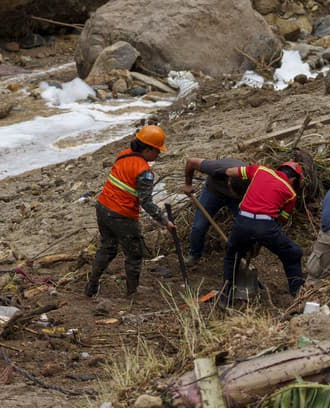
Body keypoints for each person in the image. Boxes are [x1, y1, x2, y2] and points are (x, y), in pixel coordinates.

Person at [85, 124, 175, 297]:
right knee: (134, 254)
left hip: (103, 208)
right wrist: (165, 221)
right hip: (122, 216)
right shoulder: (144, 172)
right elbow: (147, 203)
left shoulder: (123, 155)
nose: (158, 154)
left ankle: (91, 285)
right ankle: (132, 293)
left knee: (107, 247)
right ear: (148, 149)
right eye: (157, 151)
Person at [220, 161, 305, 299]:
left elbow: (230, 172)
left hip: (242, 221)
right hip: (265, 226)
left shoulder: (260, 170)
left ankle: (226, 294)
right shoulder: (291, 193)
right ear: (294, 179)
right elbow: (280, 221)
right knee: (293, 253)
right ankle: (298, 295)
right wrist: (261, 239)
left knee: (232, 255)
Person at [182, 156, 248, 266]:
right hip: (213, 192)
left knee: (245, 225)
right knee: (199, 226)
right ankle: (194, 255)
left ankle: (242, 255)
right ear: (229, 183)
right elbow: (191, 162)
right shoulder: (216, 168)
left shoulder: (251, 178)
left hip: (238, 199)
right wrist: (188, 184)